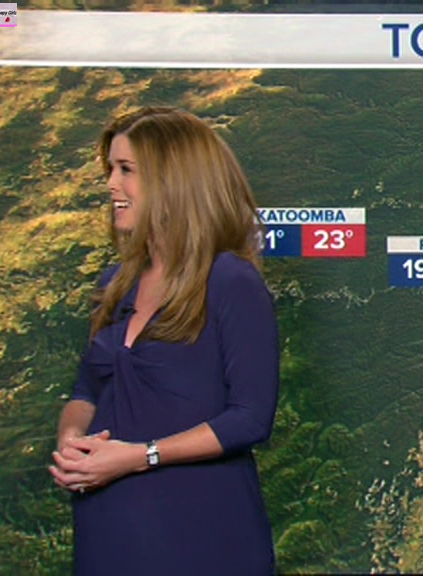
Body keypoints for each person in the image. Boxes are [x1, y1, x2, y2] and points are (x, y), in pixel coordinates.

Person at [49, 107, 279, 576]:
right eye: (110, 170)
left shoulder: (229, 281)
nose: (111, 185)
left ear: (173, 180)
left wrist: (140, 457)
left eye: (126, 170)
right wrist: (72, 442)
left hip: (201, 535)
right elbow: (86, 392)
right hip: (107, 532)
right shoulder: (115, 284)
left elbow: (251, 417)